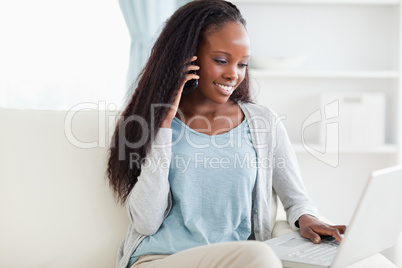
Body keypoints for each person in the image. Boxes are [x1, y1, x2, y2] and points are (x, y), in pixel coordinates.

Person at [107, 1, 346, 268]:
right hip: (160, 259)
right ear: (187, 57)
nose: (233, 74)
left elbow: (297, 199)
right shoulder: (149, 123)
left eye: (242, 64)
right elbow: (146, 222)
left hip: (233, 261)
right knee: (260, 257)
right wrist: (162, 126)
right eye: (221, 60)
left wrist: (307, 218)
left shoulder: (263, 123)